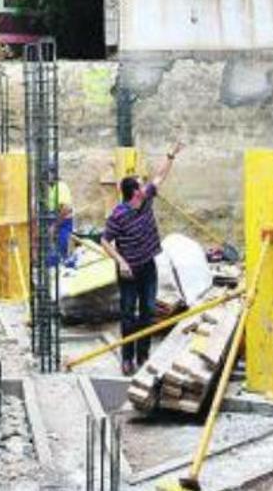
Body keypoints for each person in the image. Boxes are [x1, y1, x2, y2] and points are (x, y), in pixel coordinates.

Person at [101, 143, 184, 376]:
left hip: (148, 266)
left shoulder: (146, 198)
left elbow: (160, 177)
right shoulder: (118, 215)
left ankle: (143, 354)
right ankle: (127, 359)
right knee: (128, 314)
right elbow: (105, 241)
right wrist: (121, 262)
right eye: (140, 184)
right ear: (134, 192)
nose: (144, 185)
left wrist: (170, 156)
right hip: (129, 272)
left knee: (147, 311)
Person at [48, 180, 74, 267]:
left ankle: (64, 261)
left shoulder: (60, 187)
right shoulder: (53, 187)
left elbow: (66, 208)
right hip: (57, 219)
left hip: (62, 220)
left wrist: (55, 224)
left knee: (63, 245)